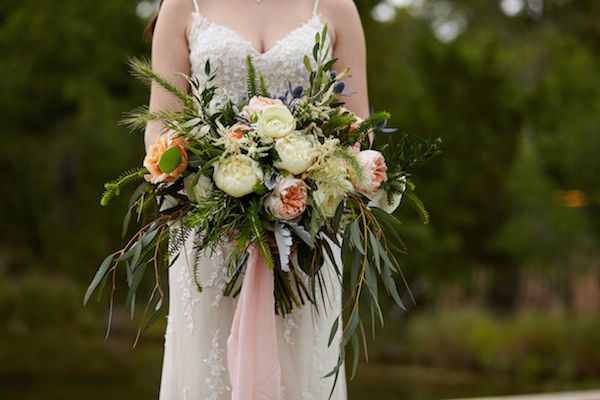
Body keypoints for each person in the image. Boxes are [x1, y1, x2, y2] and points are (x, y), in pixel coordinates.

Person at [144, 0, 369, 398]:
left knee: (298, 366)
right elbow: (160, 132)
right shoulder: (184, 6)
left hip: (304, 233)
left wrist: (304, 184)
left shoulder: (336, 7)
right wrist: (219, 187)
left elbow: (357, 133)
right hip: (209, 235)